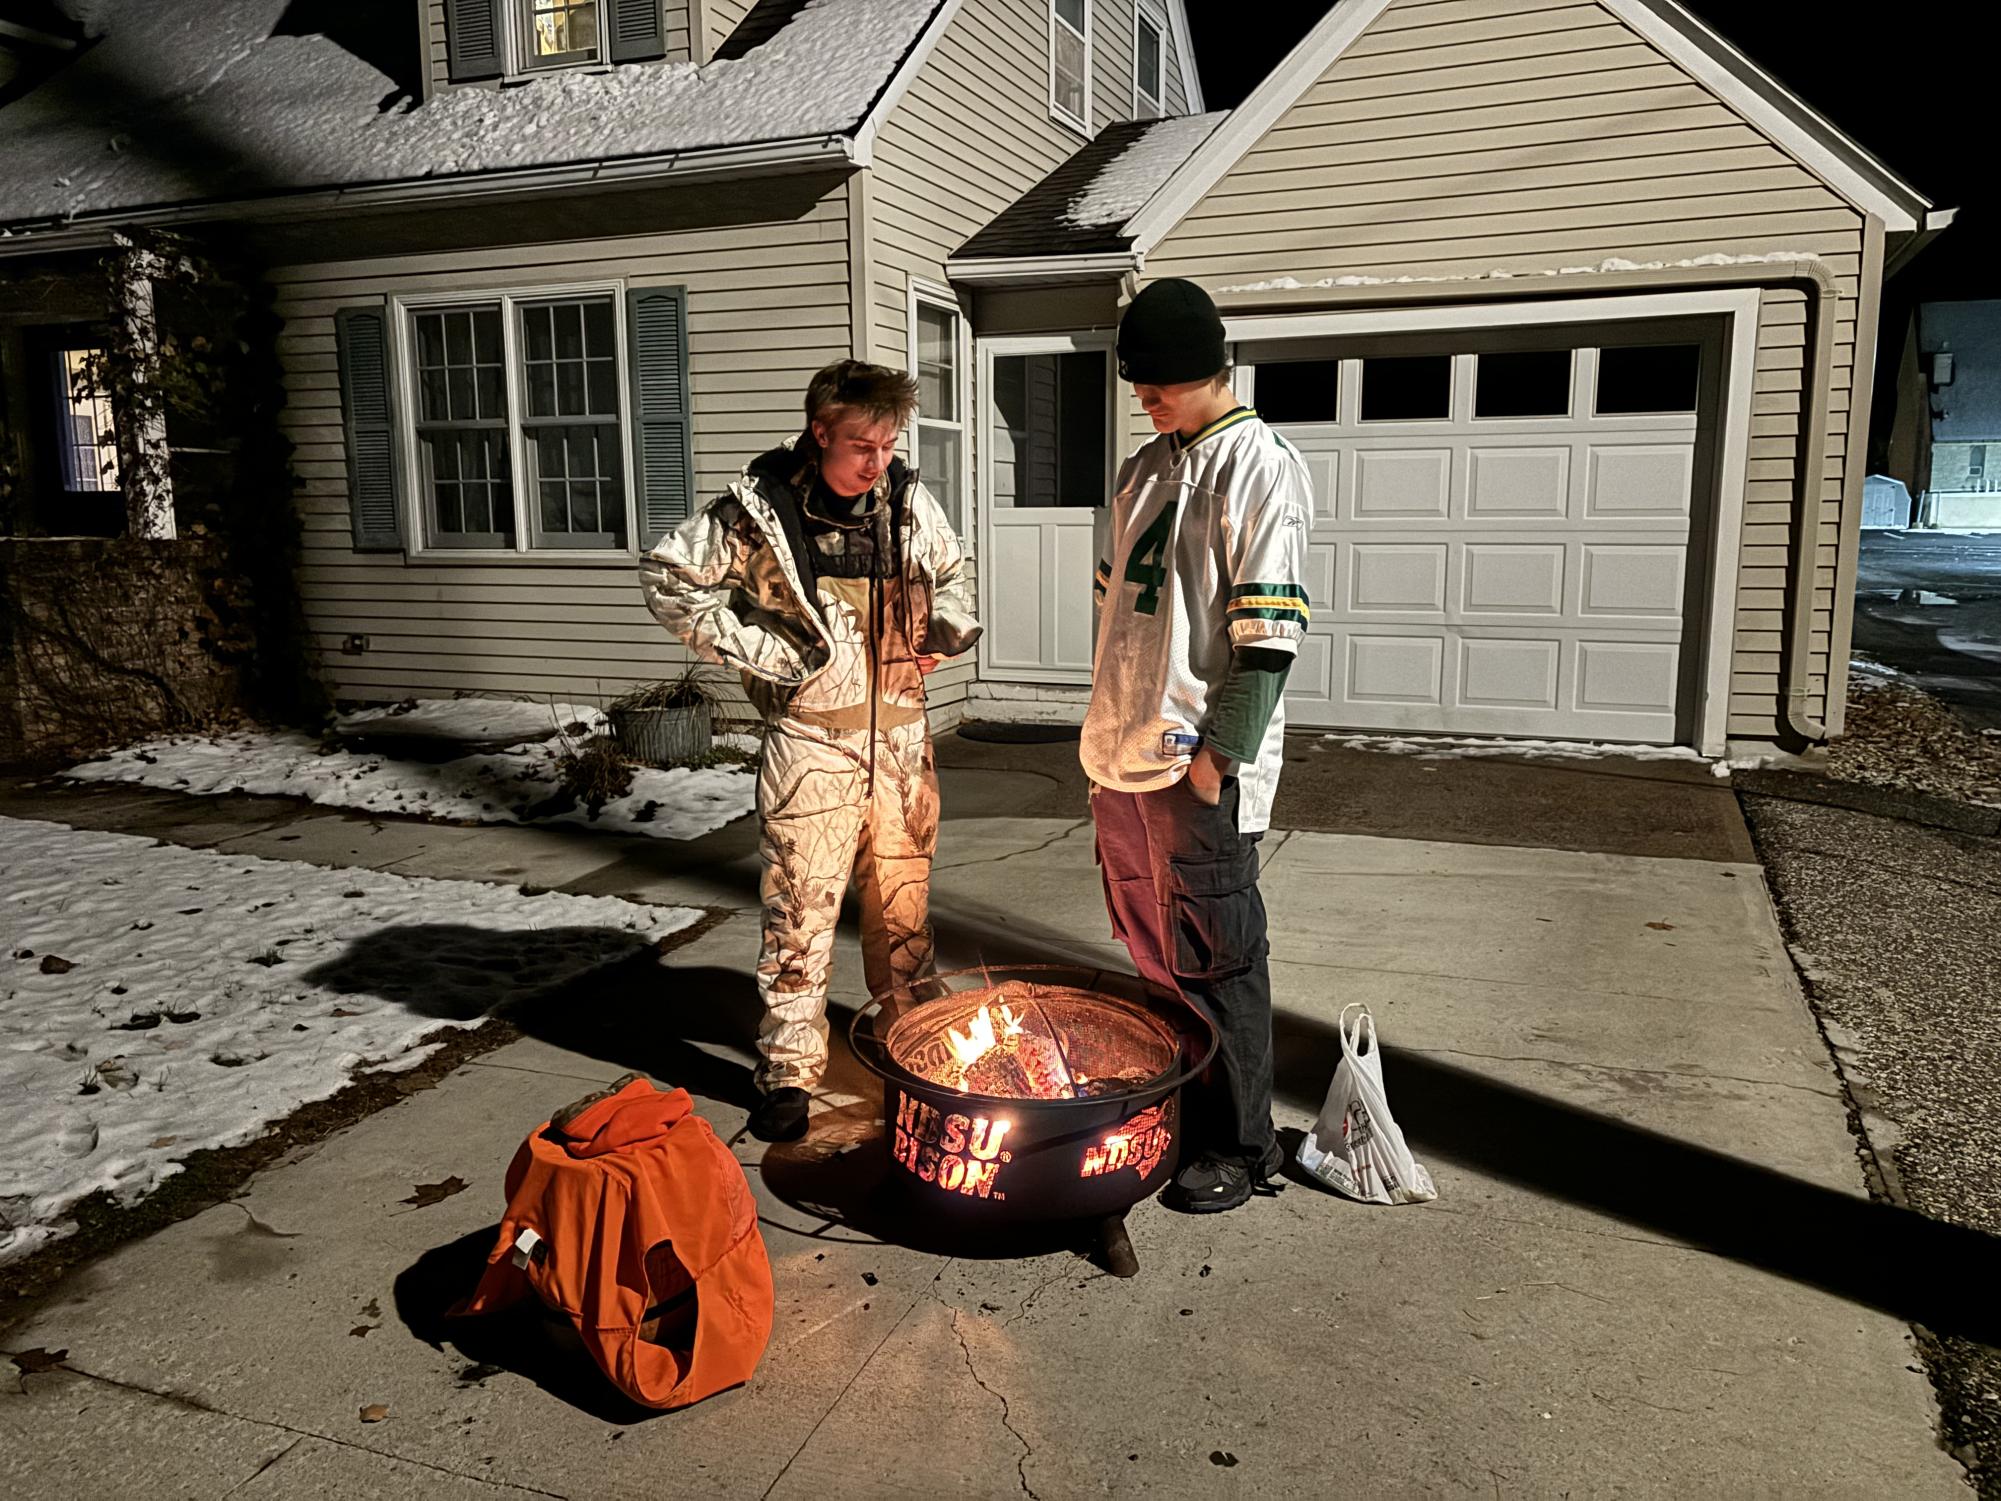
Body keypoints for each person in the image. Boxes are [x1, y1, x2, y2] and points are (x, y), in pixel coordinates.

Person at [641, 361, 980, 1143]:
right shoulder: (756, 514)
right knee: (800, 916)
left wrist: (946, 628)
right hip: (812, 747)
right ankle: (789, 1073)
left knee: (905, 921)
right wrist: (765, 651)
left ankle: (913, 1054)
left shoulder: (905, 500)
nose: (877, 461)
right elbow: (669, 576)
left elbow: (953, 574)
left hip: (902, 742)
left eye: (889, 444)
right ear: (819, 431)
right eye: (861, 444)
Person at [1083, 278, 1313, 1213]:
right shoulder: (1143, 469)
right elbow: (1123, 618)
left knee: (1217, 961)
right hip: (1120, 759)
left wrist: (1218, 759)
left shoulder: (1260, 465)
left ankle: (1242, 1143)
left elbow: (1268, 639)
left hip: (1192, 767)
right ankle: (1181, 1111)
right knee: (1154, 959)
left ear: (1209, 369)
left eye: (1159, 384)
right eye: (1138, 385)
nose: (1145, 397)